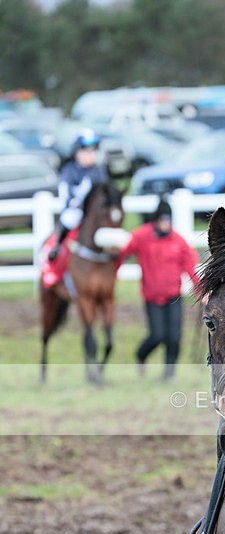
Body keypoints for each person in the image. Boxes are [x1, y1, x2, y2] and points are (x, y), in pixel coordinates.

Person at [119, 199, 199, 381]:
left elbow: (191, 268)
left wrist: (201, 292)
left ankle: (169, 374)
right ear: (155, 220)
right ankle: (141, 354)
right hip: (152, 296)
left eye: (168, 220)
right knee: (157, 335)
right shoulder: (141, 236)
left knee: (174, 337)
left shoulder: (178, 241)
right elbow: (123, 252)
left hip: (174, 296)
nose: (165, 224)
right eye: (162, 220)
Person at [48, 128, 108, 261]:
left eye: (92, 151)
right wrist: (75, 199)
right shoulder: (69, 170)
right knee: (70, 218)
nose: (89, 155)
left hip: (96, 210)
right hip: (76, 208)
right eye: (85, 151)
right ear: (77, 152)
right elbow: (65, 191)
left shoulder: (99, 171)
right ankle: (58, 246)